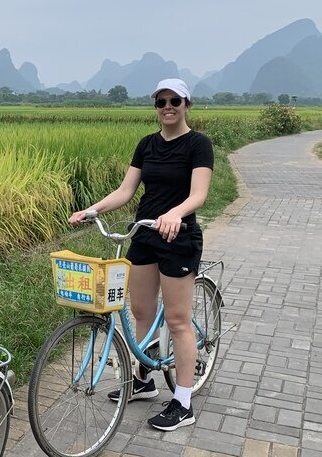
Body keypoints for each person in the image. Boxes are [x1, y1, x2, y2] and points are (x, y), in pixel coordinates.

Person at [68, 78, 213, 432]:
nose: (167, 107)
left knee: (178, 321)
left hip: (178, 237)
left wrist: (176, 213)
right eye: (161, 101)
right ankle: (144, 381)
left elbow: (199, 194)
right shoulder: (147, 145)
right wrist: (92, 210)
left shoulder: (198, 144)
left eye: (174, 101)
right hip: (145, 234)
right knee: (140, 310)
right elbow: (125, 190)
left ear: (186, 105)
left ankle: (182, 400)